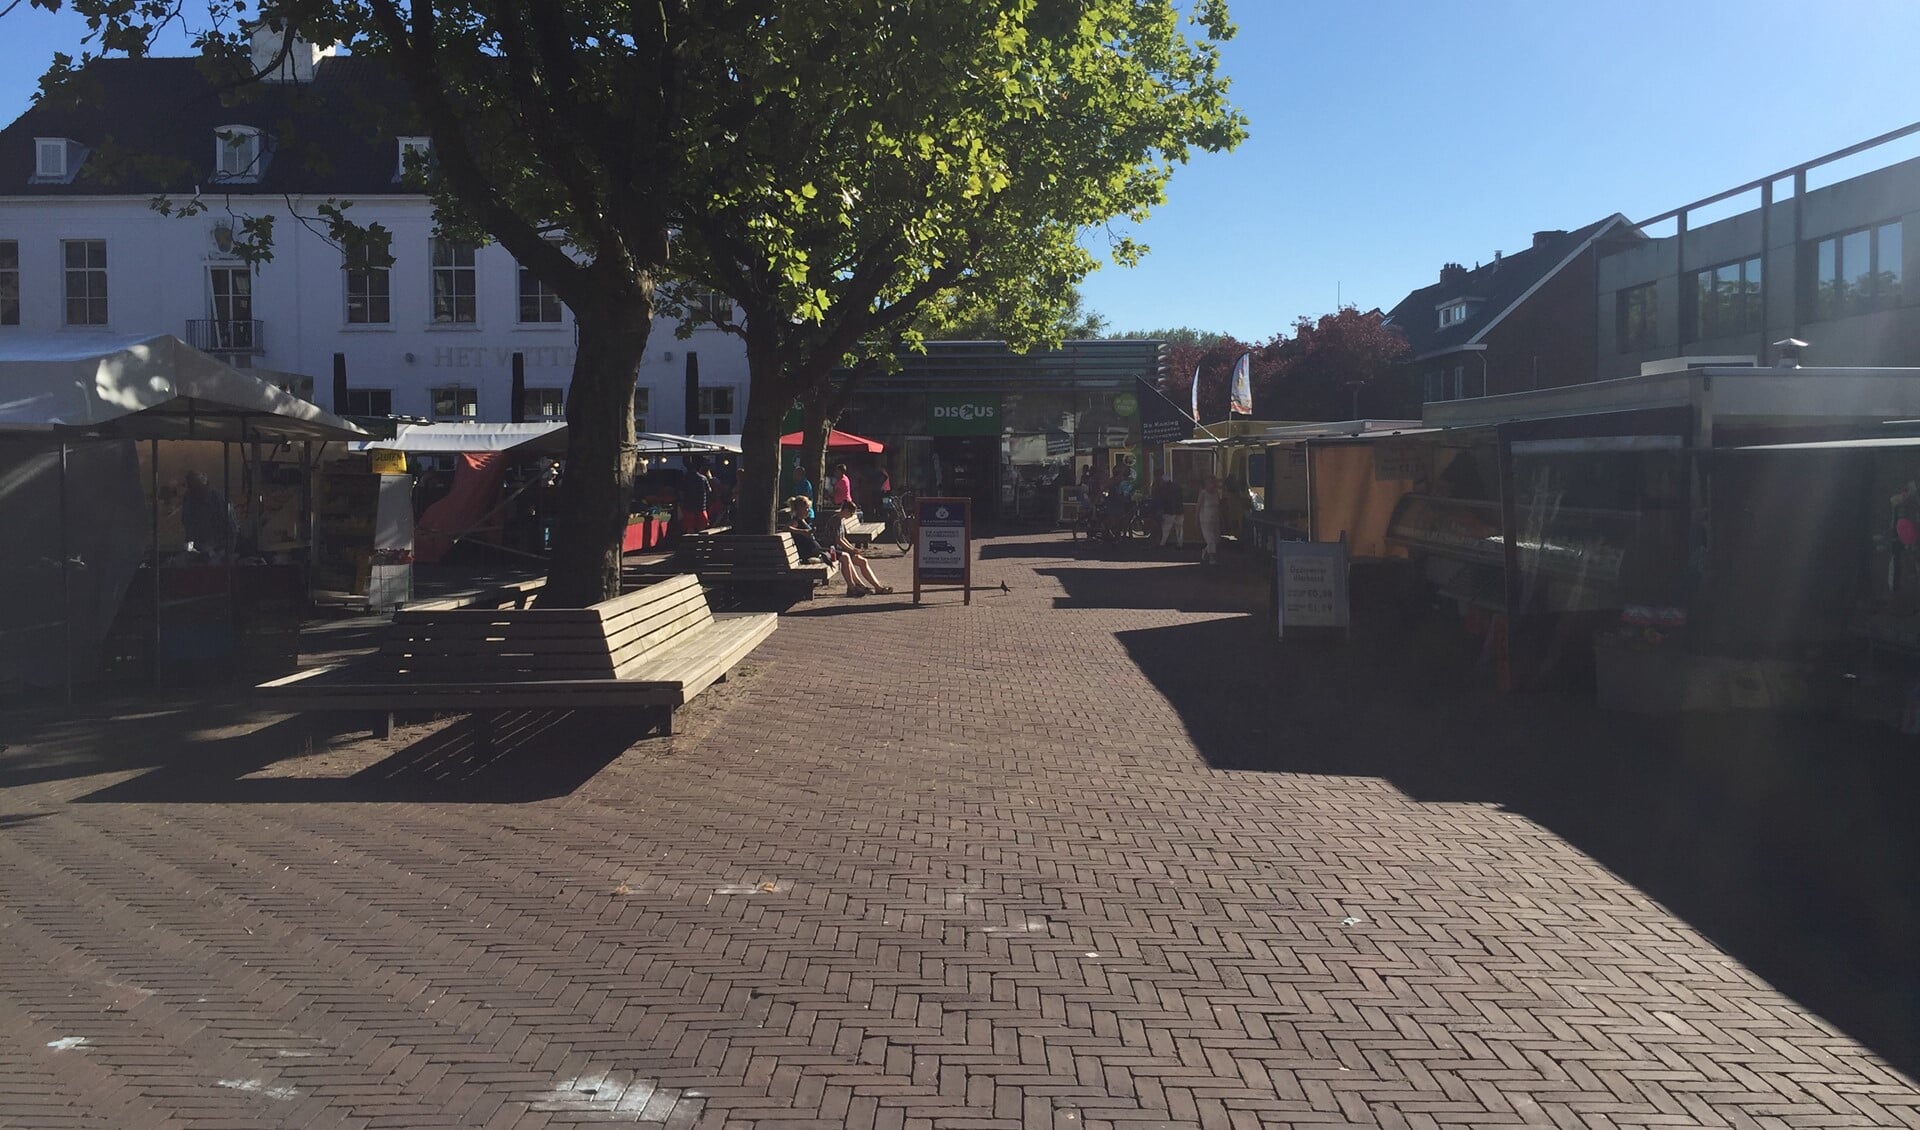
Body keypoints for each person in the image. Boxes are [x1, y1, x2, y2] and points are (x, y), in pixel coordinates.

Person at [829, 500, 891, 596]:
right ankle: (866, 586)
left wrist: (853, 549)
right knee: (854, 560)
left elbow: (843, 538)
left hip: (841, 549)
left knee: (863, 561)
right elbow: (838, 540)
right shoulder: (835, 521)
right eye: (851, 513)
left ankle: (874, 586)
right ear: (845, 510)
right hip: (833, 550)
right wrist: (851, 550)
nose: (851, 515)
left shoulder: (841, 520)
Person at [181, 469, 234, 557]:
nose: (195, 494)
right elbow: (188, 526)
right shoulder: (188, 499)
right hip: (198, 548)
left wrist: (225, 553)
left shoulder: (219, 499)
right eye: (192, 489)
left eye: (198, 489)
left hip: (219, 549)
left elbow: (231, 529)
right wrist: (190, 549)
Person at [781, 497, 829, 563]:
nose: (808, 510)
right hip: (807, 554)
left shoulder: (803, 520)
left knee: (833, 555)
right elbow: (786, 528)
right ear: (799, 509)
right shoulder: (796, 521)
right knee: (839, 557)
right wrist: (802, 532)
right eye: (806, 508)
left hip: (815, 551)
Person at [1152, 472, 1184, 548]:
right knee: (1179, 528)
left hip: (1169, 511)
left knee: (1166, 529)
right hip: (1179, 510)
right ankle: (1180, 544)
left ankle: (1162, 543)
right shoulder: (1177, 487)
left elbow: (1163, 500)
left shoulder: (1164, 488)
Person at [1196, 475, 1223, 564]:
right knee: (1210, 539)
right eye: (1211, 483)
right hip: (1205, 519)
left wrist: (1221, 517)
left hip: (1215, 519)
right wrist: (1196, 519)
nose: (1213, 485)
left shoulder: (1216, 493)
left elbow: (1219, 507)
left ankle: (1205, 550)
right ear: (1207, 484)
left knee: (1215, 539)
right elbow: (1198, 507)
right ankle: (1212, 558)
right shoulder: (1203, 493)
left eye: (1214, 482)